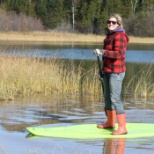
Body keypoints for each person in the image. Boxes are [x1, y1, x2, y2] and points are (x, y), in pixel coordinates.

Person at [93, 13, 129, 135]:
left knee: (115, 99)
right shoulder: (110, 36)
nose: (110, 24)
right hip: (108, 71)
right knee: (107, 98)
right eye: (109, 21)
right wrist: (102, 71)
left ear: (118, 24)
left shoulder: (120, 35)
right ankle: (110, 123)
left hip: (117, 72)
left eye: (113, 22)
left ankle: (122, 127)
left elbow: (119, 54)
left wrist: (102, 51)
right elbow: (108, 56)